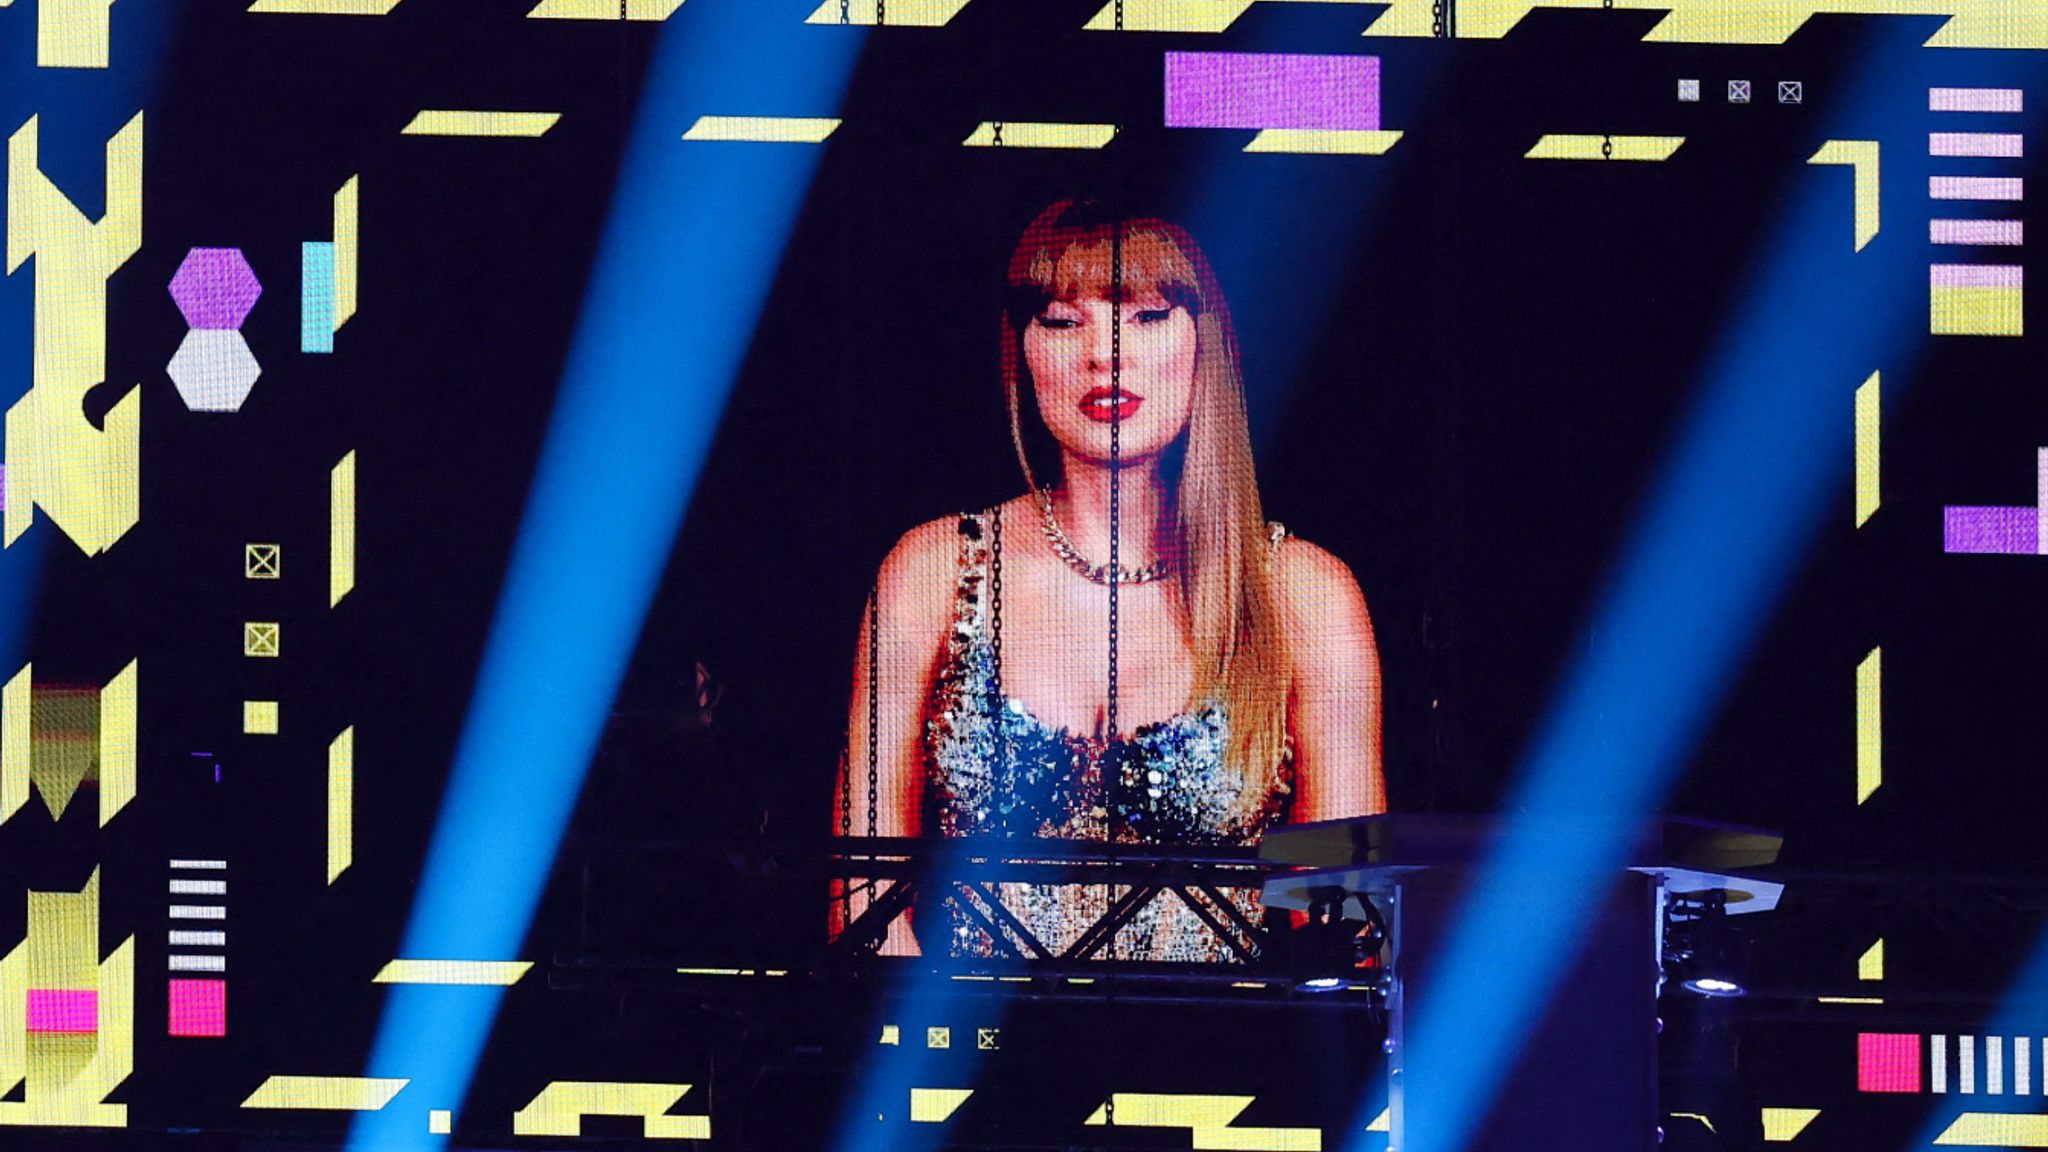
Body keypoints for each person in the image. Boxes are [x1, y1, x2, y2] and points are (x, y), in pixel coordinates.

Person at [837, 198, 1383, 961]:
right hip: (968, 1063)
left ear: (1207, 344)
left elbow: (1347, 928)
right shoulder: (932, 572)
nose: (1106, 354)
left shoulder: (1304, 593)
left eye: (1149, 316)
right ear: (1022, 352)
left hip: (1218, 1062)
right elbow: (863, 909)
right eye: (1062, 322)